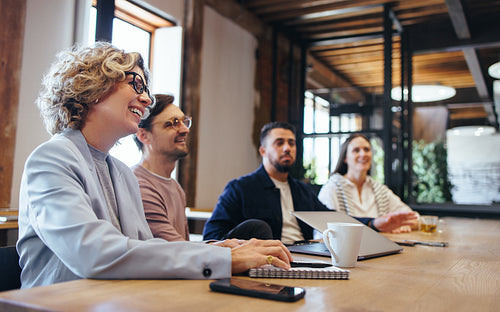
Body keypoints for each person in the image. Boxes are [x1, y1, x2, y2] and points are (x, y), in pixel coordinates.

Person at [17, 42, 291, 289]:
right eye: (135, 84)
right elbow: (93, 253)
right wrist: (221, 256)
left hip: (114, 300)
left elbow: (144, 249)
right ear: (92, 87)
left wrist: (217, 248)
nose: (147, 99)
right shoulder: (51, 158)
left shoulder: (121, 172)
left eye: (145, 89)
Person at [203, 122, 417, 243]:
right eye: (279, 143)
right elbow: (211, 237)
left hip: (305, 258)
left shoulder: (301, 190)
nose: (287, 148)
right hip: (265, 263)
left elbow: (332, 218)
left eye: (291, 143)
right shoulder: (240, 188)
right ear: (263, 150)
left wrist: (373, 223)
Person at [318, 134, 419, 233]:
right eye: (356, 150)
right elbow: (322, 230)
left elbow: (415, 218)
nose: (363, 154)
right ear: (345, 158)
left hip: (380, 247)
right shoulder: (331, 189)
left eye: (367, 149)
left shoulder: (379, 189)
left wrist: (402, 225)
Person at [132, 94, 191, 241]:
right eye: (173, 123)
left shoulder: (175, 187)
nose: (185, 130)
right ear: (144, 135)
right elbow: (177, 250)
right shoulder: (139, 186)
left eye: (184, 121)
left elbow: (187, 250)